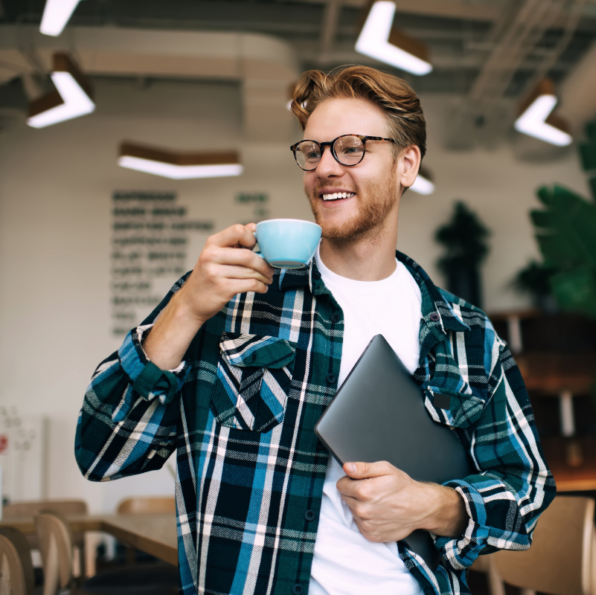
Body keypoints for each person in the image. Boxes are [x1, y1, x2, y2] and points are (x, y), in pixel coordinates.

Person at [76, 65, 555, 595]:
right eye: (313, 151)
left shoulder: (468, 334)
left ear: (407, 164)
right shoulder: (229, 299)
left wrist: (432, 505)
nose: (326, 167)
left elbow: (526, 490)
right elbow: (102, 451)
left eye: (351, 148)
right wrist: (187, 309)